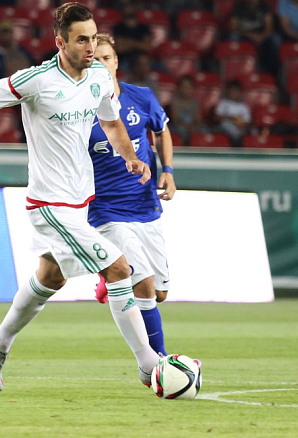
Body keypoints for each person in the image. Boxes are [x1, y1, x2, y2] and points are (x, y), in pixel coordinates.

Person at [0, 2, 162, 392]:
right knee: (119, 270)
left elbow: (111, 122)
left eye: (93, 38)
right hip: (49, 205)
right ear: (60, 43)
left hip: (80, 201)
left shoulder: (99, 77)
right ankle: (149, 364)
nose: (90, 47)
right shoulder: (37, 80)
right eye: (81, 40)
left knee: (51, 277)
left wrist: (130, 157)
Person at [88, 34, 174, 355]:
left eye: (106, 58)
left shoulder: (141, 97)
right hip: (105, 211)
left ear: (116, 61)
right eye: (95, 59)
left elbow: (161, 131)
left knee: (160, 293)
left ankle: (110, 279)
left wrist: (168, 170)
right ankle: (158, 363)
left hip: (145, 204)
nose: (101, 64)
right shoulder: (79, 109)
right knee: (144, 286)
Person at [228, 0, 279, 76]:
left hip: (261, 35)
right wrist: (250, 35)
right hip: (244, 35)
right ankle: (237, 68)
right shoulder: (239, 6)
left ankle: (271, 71)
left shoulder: (265, 7)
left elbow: (269, 27)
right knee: (233, 36)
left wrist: (261, 37)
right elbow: (233, 27)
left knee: (275, 39)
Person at [112, 3, 151, 70]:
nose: (129, 10)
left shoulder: (144, 28)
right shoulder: (118, 27)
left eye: (130, 7)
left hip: (140, 58)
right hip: (124, 59)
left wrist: (128, 43)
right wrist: (138, 44)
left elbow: (147, 47)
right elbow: (119, 48)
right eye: (127, 7)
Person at [212, 80, 251, 146]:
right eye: (232, 91)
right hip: (225, 125)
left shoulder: (244, 106)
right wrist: (231, 118)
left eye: (236, 91)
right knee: (230, 128)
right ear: (228, 92)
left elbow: (247, 121)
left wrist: (241, 124)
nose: (234, 93)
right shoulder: (223, 103)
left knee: (252, 131)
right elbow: (216, 117)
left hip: (240, 127)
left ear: (240, 93)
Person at [166, 75, 203, 145]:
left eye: (189, 87)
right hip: (178, 127)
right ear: (179, 88)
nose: (186, 90)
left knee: (203, 130)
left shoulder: (195, 103)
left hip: (192, 127)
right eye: (184, 87)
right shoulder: (174, 103)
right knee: (181, 131)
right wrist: (185, 127)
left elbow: (198, 120)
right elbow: (176, 120)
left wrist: (193, 127)